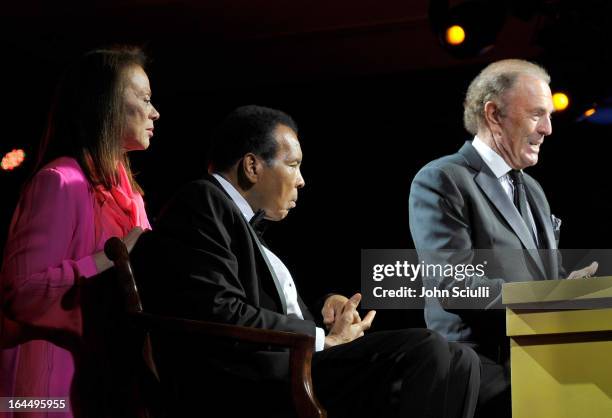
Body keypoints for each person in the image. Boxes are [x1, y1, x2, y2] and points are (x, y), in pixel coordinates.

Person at [130, 104, 480, 418]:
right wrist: (319, 339)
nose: (300, 180)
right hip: (256, 379)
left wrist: (325, 309)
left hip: (296, 362)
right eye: (293, 165)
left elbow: (265, 302)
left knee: (462, 359)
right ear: (252, 166)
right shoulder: (203, 200)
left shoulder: (243, 220)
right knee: (427, 349)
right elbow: (219, 310)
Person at [408, 59, 596, 417]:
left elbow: (542, 287)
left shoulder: (535, 190)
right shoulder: (442, 179)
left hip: (541, 363)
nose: (548, 129)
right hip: (481, 373)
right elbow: (453, 283)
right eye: (537, 115)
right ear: (494, 114)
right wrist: (543, 301)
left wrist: (565, 291)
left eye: (550, 116)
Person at [0, 46, 160, 418]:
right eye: (145, 98)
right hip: (48, 393)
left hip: (108, 384)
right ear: (104, 103)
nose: (155, 112)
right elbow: (19, 292)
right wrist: (107, 259)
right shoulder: (61, 182)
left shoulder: (132, 197)